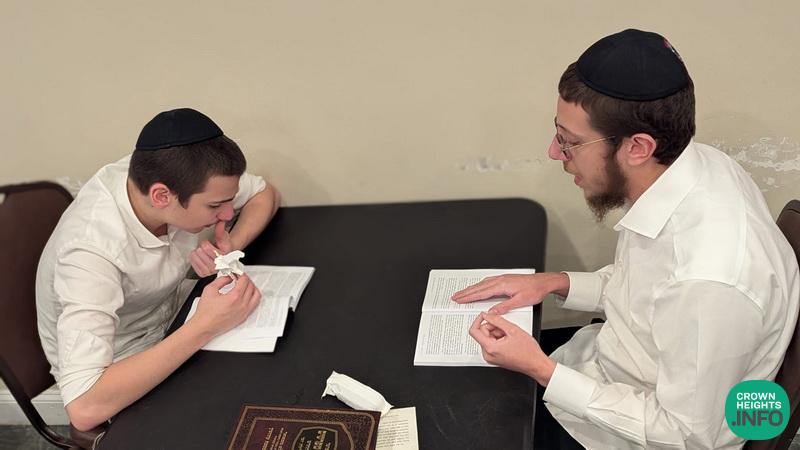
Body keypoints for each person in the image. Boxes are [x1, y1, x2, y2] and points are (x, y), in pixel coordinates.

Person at [452, 29, 800, 449]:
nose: (554, 153)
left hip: (626, 434)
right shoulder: (699, 166)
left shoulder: (709, 282)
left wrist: (543, 371)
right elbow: (650, 296)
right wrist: (556, 283)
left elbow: (687, 435)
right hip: (604, 365)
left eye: (569, 142)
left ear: (638, 147)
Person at [36, 108, 280, 431]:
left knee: (267, 377)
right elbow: (84, 406)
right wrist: (205, 325)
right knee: (231, 419)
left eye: (228, 203)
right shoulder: (90, 250)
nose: (226, 214)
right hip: (119, 360)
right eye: (214, 206)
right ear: (162, 196)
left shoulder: (173, 171)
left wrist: (232, 243)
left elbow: (264, 194)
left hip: (171, 316)